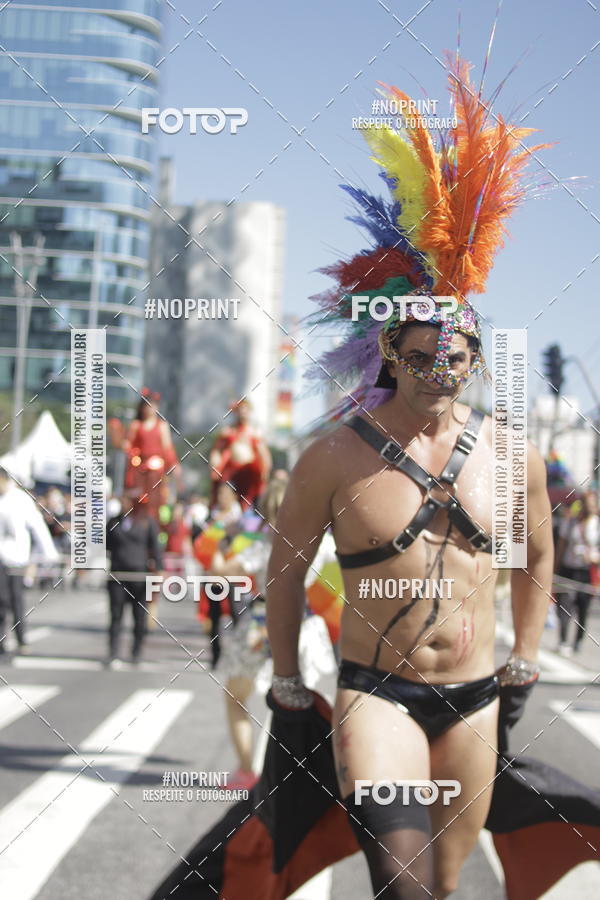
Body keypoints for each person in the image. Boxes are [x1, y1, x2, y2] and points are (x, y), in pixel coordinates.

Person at [266, 62, 554, 899]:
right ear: (390, 355)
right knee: (403, 878)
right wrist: (287, 675)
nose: (442, 374)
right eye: (424, 359)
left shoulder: (512, 452)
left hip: (474, 697)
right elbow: (284, 570)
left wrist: (529, 653)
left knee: (452, 879)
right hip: (375, 693)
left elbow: (536, 554)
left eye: (457, 359)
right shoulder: (332, 454)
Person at [209, 474, 336, 791]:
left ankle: (246, 771)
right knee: (306, 704)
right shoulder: (323, 543)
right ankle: (304, 776)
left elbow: (218, 572)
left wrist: (221, 539)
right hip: (304, 626)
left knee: (236, 695)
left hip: (260, 623)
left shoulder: (262, 547)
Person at [0, 467, 59, 657]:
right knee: (1, 601)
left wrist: (49, 553)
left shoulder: (20, 499)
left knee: (16, 601)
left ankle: (21, 639)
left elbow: (37, 526)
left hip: (16, 560)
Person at [105, 493, 162, 667]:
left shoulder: (147, 522)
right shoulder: (114, 522)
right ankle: (113, 652)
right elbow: (106, 544)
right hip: (118, 575)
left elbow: (156, 547)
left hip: (139, 577)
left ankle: (136, 651)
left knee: (139, 617)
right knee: (116, 615)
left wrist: (159, 570)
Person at [121, 388, 181, 521]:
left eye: (153, 406)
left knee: (155, 499)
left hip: (156, 470)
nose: (150, 409)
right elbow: (128, 445)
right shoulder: (136, 425)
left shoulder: (162, 426)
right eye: (147, 406)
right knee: (138, 497)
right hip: (139, 469)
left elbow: (168, 448)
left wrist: (174, 464)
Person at [555, 490, 599, 655]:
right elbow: (561, 545)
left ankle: (578, 641)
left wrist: (595, 557)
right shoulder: (570, 523)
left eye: (592, 505)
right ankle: (563, 640)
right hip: (568, 569)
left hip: (587, 571)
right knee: (564, 605)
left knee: (583, 607)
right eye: (587, 504)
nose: (589, 508)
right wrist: (555, 566)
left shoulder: (597, 525)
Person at [209, 399, 272, 509]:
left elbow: (264, 454)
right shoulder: (228, 431)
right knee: (225, 495)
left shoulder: (255, 431)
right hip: (232, 473)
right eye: (240, 409)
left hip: (250, 474)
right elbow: (217, 451)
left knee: (252, 502)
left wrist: (265, 471)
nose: (243, 412)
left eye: (245, 409)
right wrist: (214, 465)